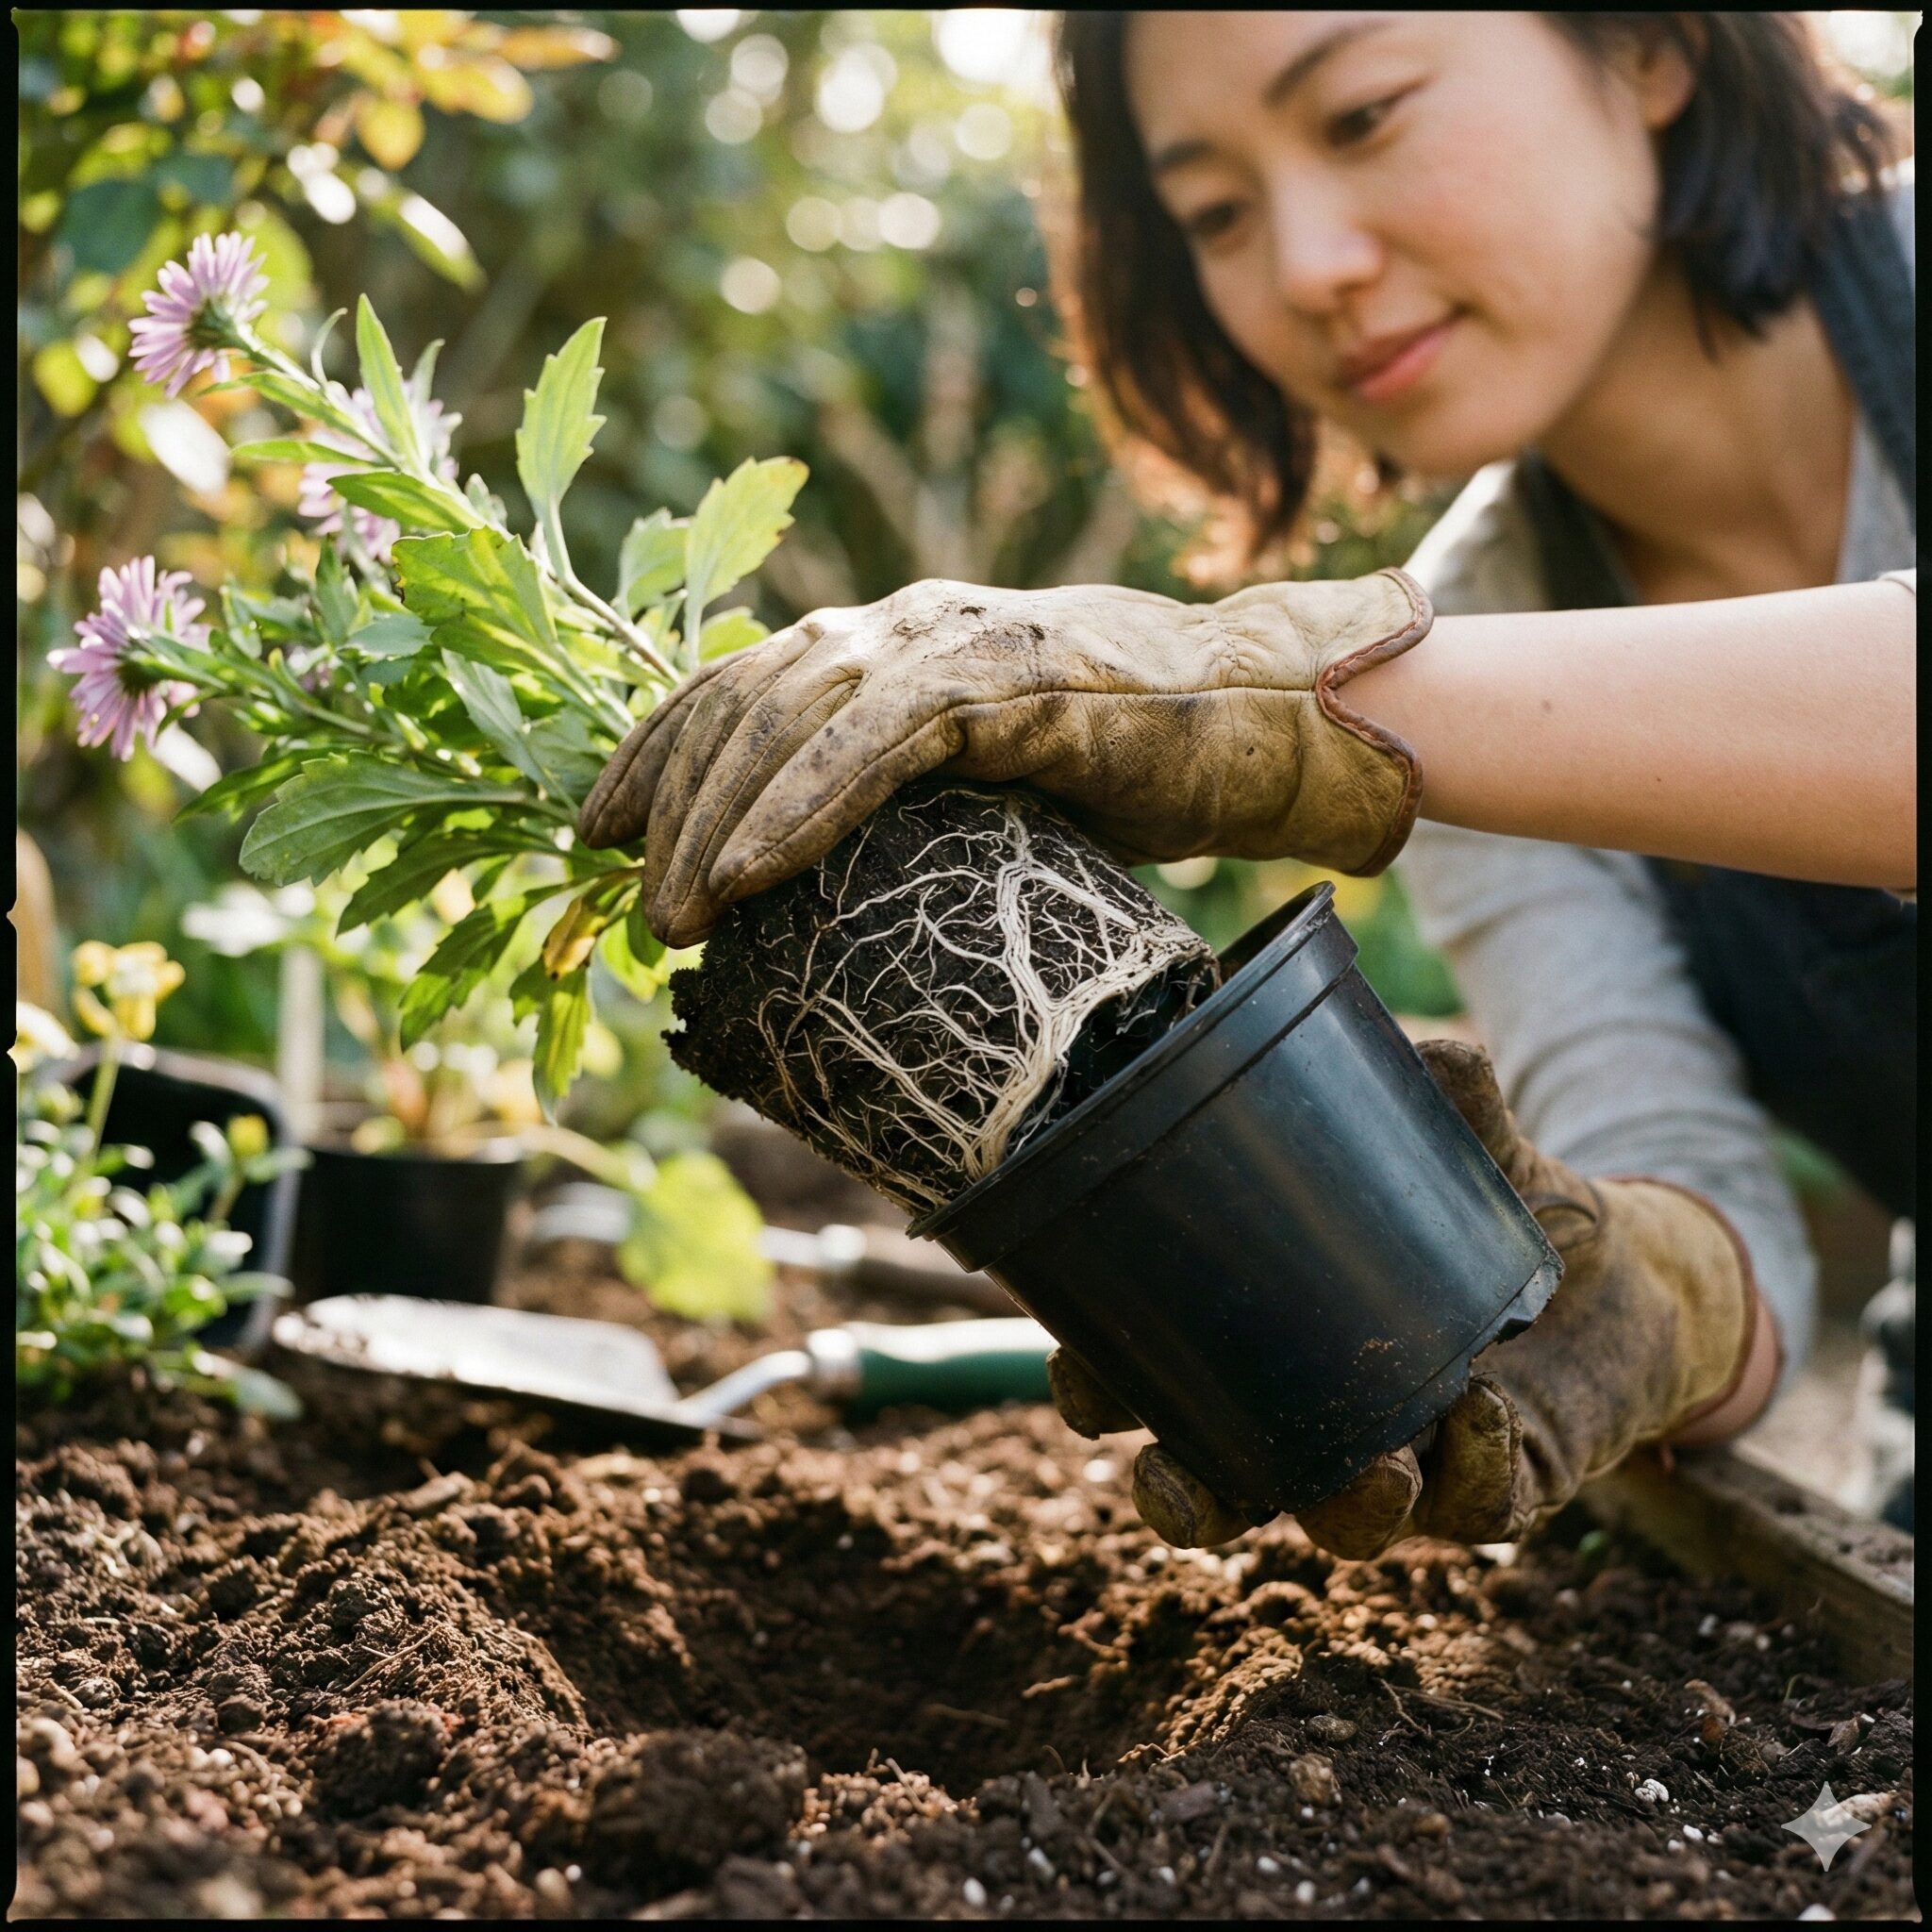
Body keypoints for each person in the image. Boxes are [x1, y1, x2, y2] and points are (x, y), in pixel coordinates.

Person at [582, 14, 1916, 1544]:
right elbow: (1705, 1202)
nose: (1303, 269)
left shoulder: (1425, 696)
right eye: (1214, 211)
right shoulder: (1465, 648)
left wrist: (1292, 698)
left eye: (1361, 115)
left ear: (1648, 47)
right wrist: (1621, 1292)